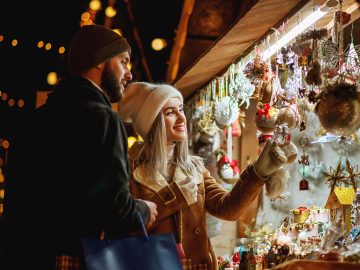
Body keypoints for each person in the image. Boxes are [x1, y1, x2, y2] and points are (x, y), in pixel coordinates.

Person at [2, 25, 157, 269]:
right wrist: (145, 210)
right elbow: (117, 210)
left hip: (24, 258)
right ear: (100, 61)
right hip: (77, 260)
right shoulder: (103, 119)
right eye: (123, 62)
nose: (128, 74)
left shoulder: (32, 122)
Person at [118, 82, 289, 270]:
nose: (182, 117)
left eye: (181, 109)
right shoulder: (128, 171)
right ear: (152, 123)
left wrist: (258, 173)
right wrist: (172, 198)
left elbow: (228, 209)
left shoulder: (194, 167)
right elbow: (125, 227)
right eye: (170, 112)